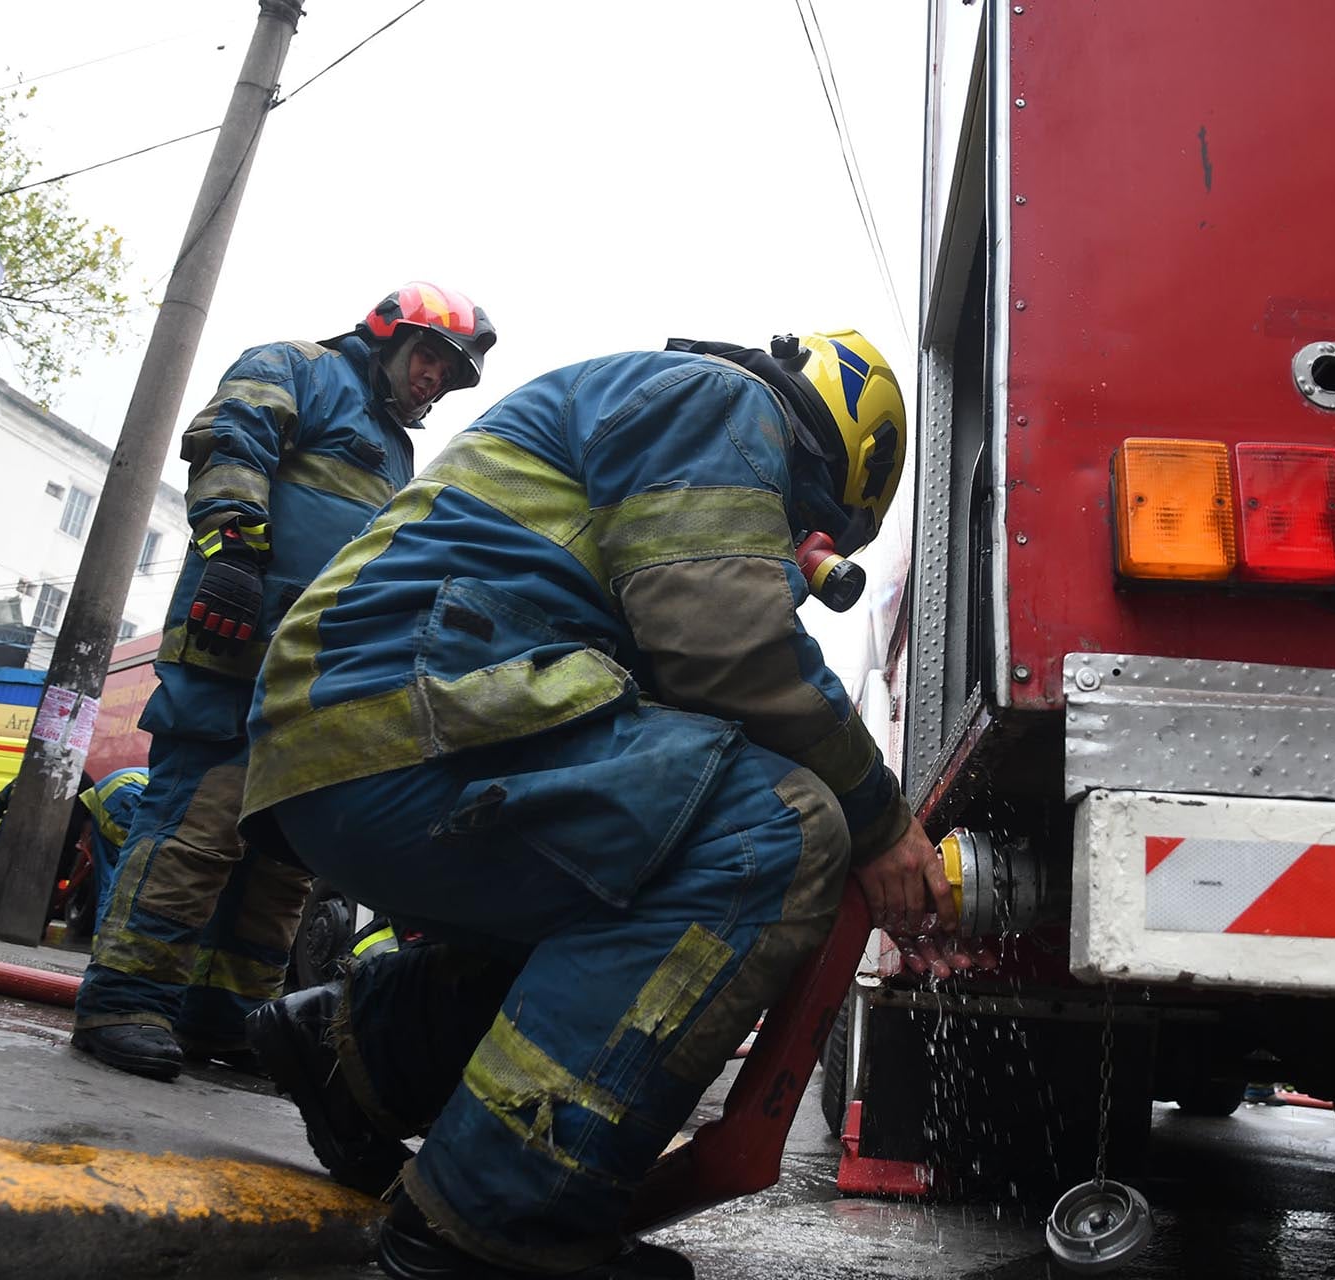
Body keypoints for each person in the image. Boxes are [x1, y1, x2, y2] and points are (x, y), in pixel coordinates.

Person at [238, 331, 986, 1279]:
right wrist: (881, 822)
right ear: (837, 457)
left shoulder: (653, 414)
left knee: (658, 855)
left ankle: (363, 1059)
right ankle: (502, 1217)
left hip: (380, 728)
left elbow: (690, 688)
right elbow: (728, 642)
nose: (789, 556)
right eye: (802, 527)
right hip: (421, 716)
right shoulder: (722, 401)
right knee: (779, 828)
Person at [72, 283, 498, 1081]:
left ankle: (226, 1017)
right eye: (431, 358)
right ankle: (125, 1002)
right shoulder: (297, 368)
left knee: (281, 860)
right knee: (198, 830)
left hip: (313, 680)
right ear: (388, 334)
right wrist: (233, 552)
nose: (434, 380)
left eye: (449, 375)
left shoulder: (397, 450)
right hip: (235, 646)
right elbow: (232, 440)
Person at [0, 772, 94, 918]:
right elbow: (89, 819)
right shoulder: (85, 782)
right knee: (45, 886)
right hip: (54, 846)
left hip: (18, 837)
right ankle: (35, 921)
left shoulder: (39, 770)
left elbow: (2, 800)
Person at [72, 766, 149, 940]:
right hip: (125, 795)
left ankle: (101, 939)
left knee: (109, 878)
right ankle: (108, 941)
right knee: (124, 879)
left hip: (109, 791)